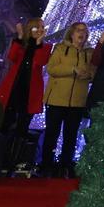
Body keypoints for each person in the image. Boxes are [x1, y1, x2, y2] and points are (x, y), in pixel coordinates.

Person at [41, 22, 94, 177]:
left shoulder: (90, 53)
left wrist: (89, 75)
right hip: (56, 100)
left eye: (84, 31)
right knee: (52, 134)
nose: (82, 33)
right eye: (79, 30)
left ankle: (65, 165)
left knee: (70, 136)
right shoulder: (60, 48)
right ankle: (46, 165)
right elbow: (51, 68)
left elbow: (93, 72)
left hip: (77, 102)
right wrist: (72, 69)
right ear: (72, 33)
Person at [0, 18, 50, 171]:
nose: (40, 30)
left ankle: (12, 162)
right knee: (5, 125)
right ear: (30, 29)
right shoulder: (21, 45)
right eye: (36, 27)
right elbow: (12, 57)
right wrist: (19, 37)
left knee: (22, 128)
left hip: (29, 94)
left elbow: (41, 61)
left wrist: (39, 42)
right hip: (13, 91)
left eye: (42, 27)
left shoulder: (45, 47)